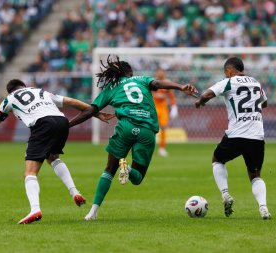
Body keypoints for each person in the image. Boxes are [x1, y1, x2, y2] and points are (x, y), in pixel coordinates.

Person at [69, 56, 198, 220]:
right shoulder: (142, 79)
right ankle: (127, 169)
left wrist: (67, 126)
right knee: (137, 178)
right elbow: (157, 84)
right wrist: (180, 86)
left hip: (125, 127)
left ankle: (92, 212)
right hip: (146, 131)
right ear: (129, 72)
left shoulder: (112, 87)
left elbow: (90, 110)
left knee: (109, 169)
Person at [0, 79, 113, 224]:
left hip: (42, 124)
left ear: (11, 91)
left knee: (30, 172)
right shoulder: (41, 92)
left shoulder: (9, 98)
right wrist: (96, 113)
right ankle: (74, 192)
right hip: (62, 122)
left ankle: (35, 209)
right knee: (53, 157)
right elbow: (71, 101)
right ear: (24, 87)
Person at [195, 57, 271, 219]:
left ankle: (225, 194)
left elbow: (207, 94)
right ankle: (263, 208)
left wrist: (200, 101)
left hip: (236, 135)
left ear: (229, 70)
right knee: (255, 175)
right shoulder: (256, 83)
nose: (226, 75)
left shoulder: (229, 82)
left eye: (226, 73)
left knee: (217, 159)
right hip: (257, 136)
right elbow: (264, 104)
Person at [152, 67, 178, 156]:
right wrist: (157, 95)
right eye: (159, 71)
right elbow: (147, 93)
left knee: (163, 127)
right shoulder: (152, 82)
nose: (160, 73)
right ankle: (148, 147)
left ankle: (162, 148)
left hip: (163, 108)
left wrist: (174, 107)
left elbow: (171, 96)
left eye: (162, 72)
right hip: (153, 107)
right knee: (150, 128)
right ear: (156, 72)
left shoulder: (167, 83)